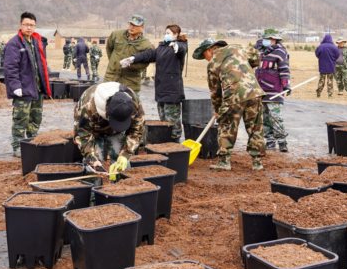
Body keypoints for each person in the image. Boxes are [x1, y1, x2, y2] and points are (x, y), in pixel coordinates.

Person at [193, 38, 265, 171]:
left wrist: (217, 109)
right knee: (255, 127)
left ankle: (224, 161)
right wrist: (246, 67)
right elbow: (256, 56)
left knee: (226, 126)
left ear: (210, 50)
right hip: (254, 92)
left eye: (204, 56)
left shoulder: (213, 63)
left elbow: (215, 91)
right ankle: (257, 162)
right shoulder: (238, 47)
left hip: (233, 96)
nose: (206, 59)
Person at [123, 24, 188, 141]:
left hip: (172, 91)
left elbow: (182, 50)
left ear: (176, 35)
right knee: (163, 121)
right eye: (166, 33)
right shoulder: (161, 48)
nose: (166, 35)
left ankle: (175, 144)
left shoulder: (180, 46)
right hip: (160, 90)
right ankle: (165, 143)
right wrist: (132, 58)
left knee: (173, 121)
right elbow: (148, 55)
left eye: (169, 33)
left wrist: (176, 46)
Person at [73, 81, 144, 179]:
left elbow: (137, 130)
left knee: (122, 163)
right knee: (94, 168)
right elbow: (82, 135)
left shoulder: (133, 103)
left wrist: (125, 154)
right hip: (93, 130)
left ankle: (122, 186)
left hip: (115, 133)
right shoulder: (87, 106)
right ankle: (93, 189)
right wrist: (92, 158)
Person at [4, 11, 52, 156]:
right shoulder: (14, 44)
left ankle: (31, 142)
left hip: (37, 89)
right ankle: (18, 146)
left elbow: (42, 65)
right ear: (21, 25)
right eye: (26, 25)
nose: (29, 28)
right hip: (23, 89)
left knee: (36, 118)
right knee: (21, 119)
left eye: (32, 25)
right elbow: (10, 68)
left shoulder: (37, 42)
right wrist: (15, 86)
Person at [254, 29, 291, 151]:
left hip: (274, 89)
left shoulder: (280, 52)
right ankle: (269, 141)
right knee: (264, 117)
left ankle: (282, 142)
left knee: (275, 117)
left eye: (269, 39)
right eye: (265, 39)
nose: (266, 41)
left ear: (275, 39)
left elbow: (284, 69)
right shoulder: (259, 51)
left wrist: (286, 85)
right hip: (260, 89)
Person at [104, 14, 154, 93]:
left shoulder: (146, 45)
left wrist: (130, 65)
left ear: (142, 27)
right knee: (106, 103)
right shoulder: (116, 35)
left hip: (130, 82)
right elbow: (109, 48)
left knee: (131, 104)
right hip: (111, 78)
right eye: (131, 24)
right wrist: (114, 62)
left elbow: (144, 64)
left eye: (135, 25)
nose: (131, 27)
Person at [315, 33, 340, 98]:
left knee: (321, 80)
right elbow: (337, 55)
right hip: (331, 66)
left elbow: (317, 54)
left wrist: (321, 58)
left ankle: (318, 93)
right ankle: (330, 94)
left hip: (322, 66)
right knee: (330, 81)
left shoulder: (320, 46)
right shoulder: (334, 47)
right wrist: (333, 59)